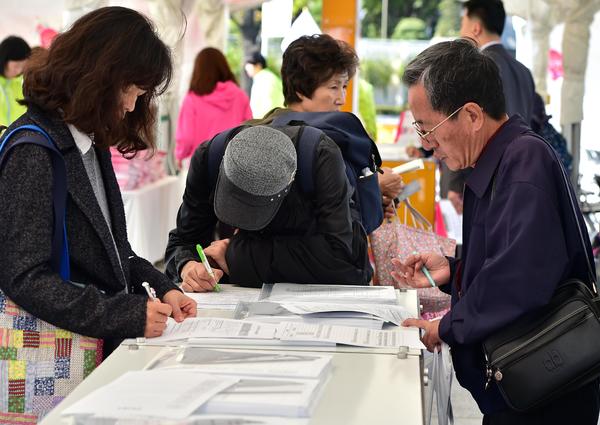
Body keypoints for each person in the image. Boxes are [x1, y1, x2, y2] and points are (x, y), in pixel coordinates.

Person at [393, 38, 599, 424]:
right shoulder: (502, 160)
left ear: (471, 115)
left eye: (428, 128)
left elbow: (520, 279)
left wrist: (446, 326)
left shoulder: (523, 163)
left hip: (544, 389)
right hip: (526, 386)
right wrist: (455, 269)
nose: (426, 146)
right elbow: (516, 255)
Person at [0, 7, 196, 354]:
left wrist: (163, 285)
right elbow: (24, 277)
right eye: (133, 90)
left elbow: (112, 254)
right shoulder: (33, 151)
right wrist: (124, 315)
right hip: (58, 358)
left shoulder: (90, 143)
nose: (134, 105)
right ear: (103, 79)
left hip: (92, 349)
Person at [165, 124, 371, 291]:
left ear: (288, 185)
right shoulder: (208, 158)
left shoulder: (321, 157)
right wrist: (187, 266)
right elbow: (184, 240)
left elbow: (341, 257)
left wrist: (236, 256)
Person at [251, 34, 403, 219]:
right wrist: (373, 186)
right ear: (301, 89)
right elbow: (317, 220)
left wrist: (374, 199)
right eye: (333, 87)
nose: (342, 98)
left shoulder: (268, 128)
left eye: (344, 86)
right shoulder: (313, 141)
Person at [175, 47, 252, 164]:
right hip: (233, 165)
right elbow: (249, 130)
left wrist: (180, 155)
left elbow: (187, 138)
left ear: (198, 70)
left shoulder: (192, 98)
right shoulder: (240, 95)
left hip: (201, 163)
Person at [0, 36, 31, 126]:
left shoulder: (22, 83)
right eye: (16, 66)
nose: (19, 71)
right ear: (4, 60)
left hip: (17, 136)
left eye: (23, 66)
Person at [244, 51, 284, 119]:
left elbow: (266, 104)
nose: (246, 67)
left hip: (267, 121)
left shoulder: (263, 79)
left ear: (258, 65)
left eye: (249, 64)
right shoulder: (268, 76)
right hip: (276, 118)